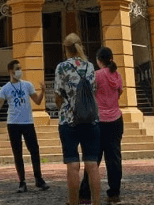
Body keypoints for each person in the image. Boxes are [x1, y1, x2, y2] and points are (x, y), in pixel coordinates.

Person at [55, 33, 101, 205]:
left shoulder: (62, 67)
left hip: (69, 121)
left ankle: (73, 202)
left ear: (65, 48)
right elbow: (94, 91)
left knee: (72, 165)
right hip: (90, 120)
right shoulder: (90, 67)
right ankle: (96, 202)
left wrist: (65, 109)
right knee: (92, 165)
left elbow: (58, 95)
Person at [0, 59, 50, 193]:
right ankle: (22, 182)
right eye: (17, 68)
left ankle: (39, 179)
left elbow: (37, 100)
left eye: (20, 68)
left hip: (28, 122)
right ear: (11, 71)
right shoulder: (5, 88)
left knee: (34, 150)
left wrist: (42, 91)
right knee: (17, 153)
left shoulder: (27, 85)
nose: (19, 71)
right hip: (13, 123)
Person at [78, 46, 124, 204]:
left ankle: (85, 193)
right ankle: (114, 194)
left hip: (98, 121)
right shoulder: (117, 75)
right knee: (114, 159)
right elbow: (119, 93)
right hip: (116, 120)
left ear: (98, 60)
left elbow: (87, 93)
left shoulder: (96, 75)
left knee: (92, 159)